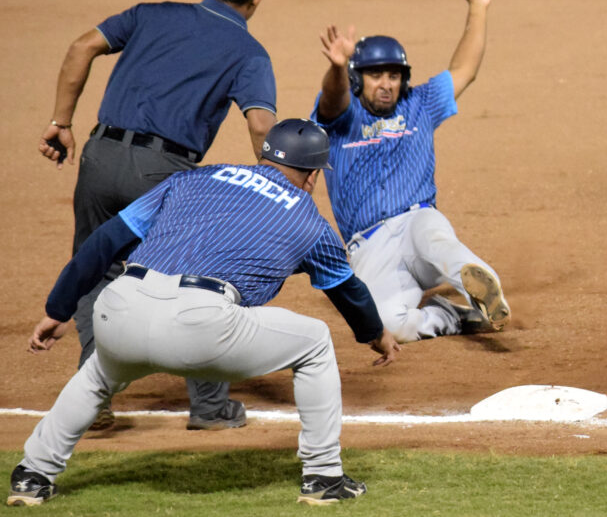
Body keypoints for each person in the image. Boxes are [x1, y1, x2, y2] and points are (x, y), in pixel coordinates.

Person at [8, 120, 400, 508]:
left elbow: (106, 239)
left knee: (98, 374)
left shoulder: (195, 178)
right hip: (201, 325)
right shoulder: (310, 222)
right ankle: (324, 476)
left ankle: (32, 475)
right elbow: (348, 292)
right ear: (313, 176)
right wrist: (374, 334)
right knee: (314, 340)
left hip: (120, 304)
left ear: (263, 156)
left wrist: (59, 309)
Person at [37, 0, 278, 430]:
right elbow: (259, 124)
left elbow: (82, 45)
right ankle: (210, 408)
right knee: (195, 274)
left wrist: (61, 122)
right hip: (163, 171)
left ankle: (92, 399)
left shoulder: (149, 14)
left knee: (96, 268)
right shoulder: (250, 52)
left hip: (100, 157)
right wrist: (274, 185)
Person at [311, 0, 509, 342]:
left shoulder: (418, 103)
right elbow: (331, 99)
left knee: (432, 234)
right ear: (358, 79)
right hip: (369, 247)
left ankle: (476, 278)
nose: (386, 83)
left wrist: (478, 8)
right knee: (391, 325)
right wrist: (338, 66)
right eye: (374, 75)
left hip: (418, 224)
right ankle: (457, 316)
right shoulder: (342, 117)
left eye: (393, 75)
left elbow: (464, 70)